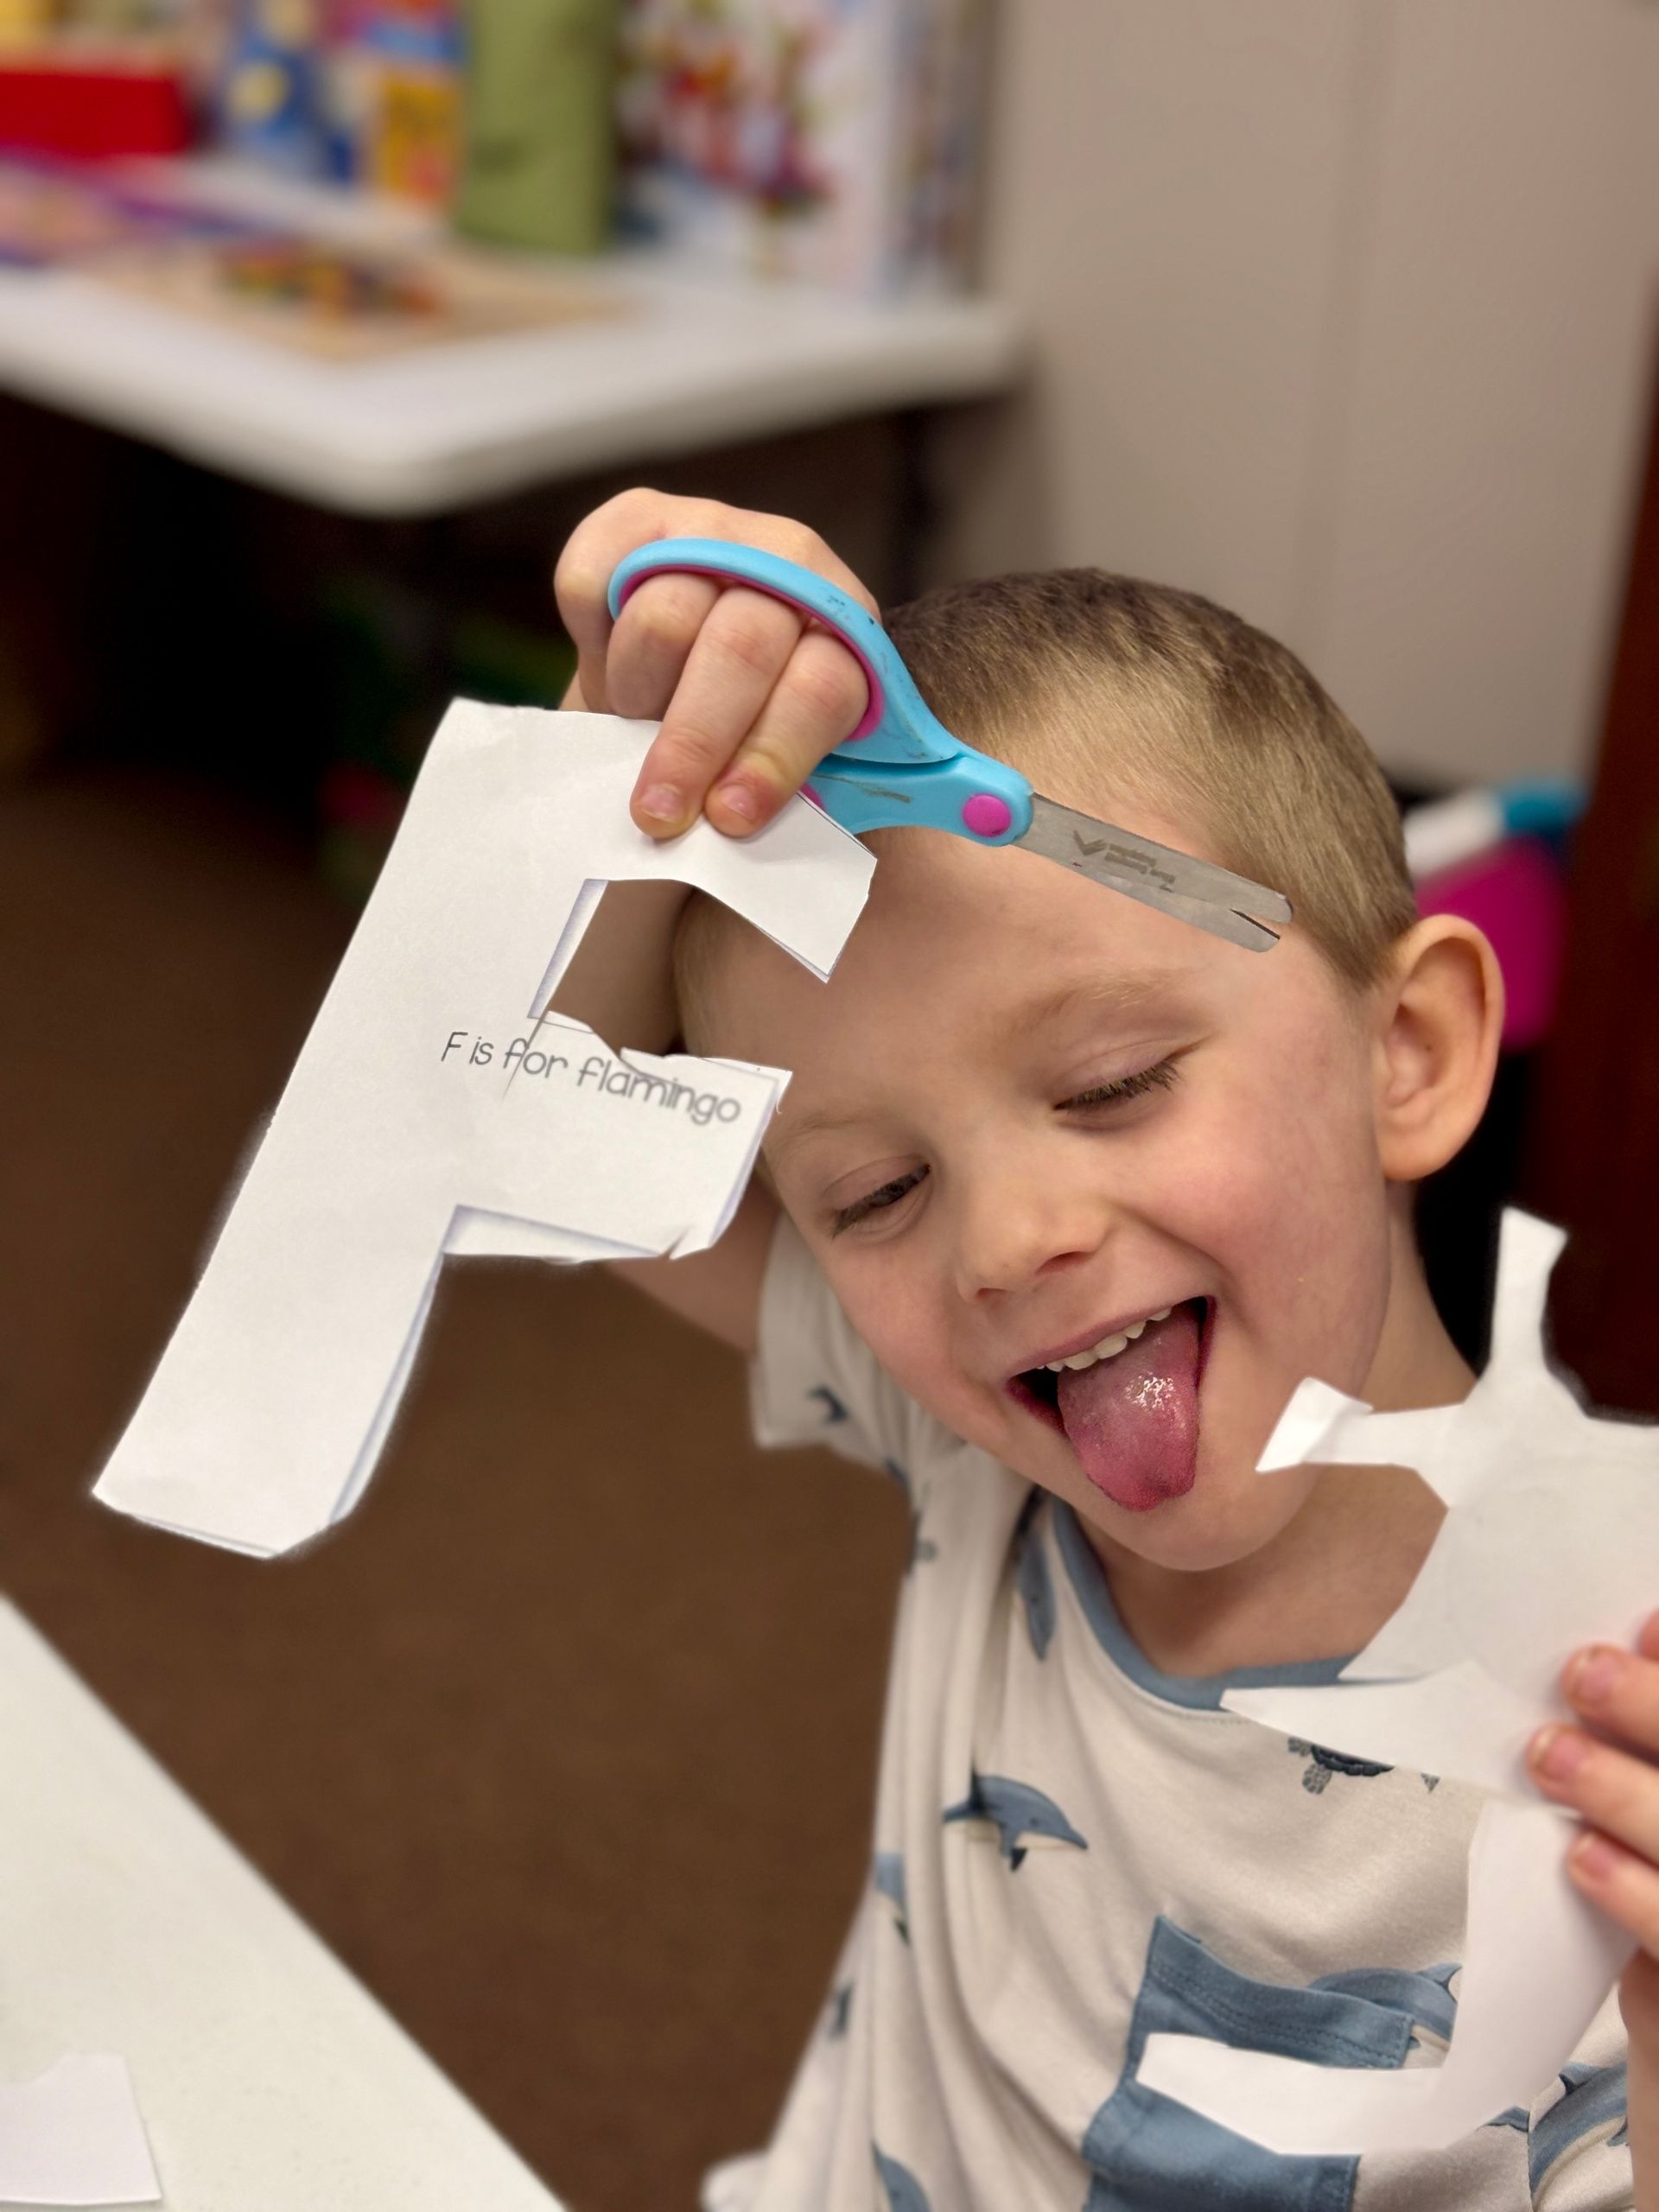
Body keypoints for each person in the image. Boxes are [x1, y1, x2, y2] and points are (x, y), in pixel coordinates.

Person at [551, 490, 1657, 2210]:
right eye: (879, 1189)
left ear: (1413, 1053)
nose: (1003, 1243)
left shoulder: (1628, 1690)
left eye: (1113, 1084)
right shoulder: (972, 1452)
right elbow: (522, 1120)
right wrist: (624, 759)